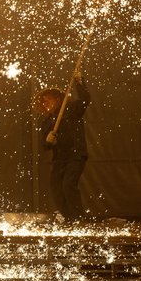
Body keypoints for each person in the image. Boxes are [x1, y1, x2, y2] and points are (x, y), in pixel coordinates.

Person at [33, 70, 91, 223]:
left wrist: (79, 82)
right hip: (60, 159)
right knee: (56, 190)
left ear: (58, 99)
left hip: (76, 155)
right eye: (43, 102)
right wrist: (48, 141)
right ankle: (69, 218)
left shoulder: (71, 110)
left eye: (48, 100)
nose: (45, 104)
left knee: (68, 185)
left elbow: (85, 100)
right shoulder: (47, 121)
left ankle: (79, 220)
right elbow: (45, 146)